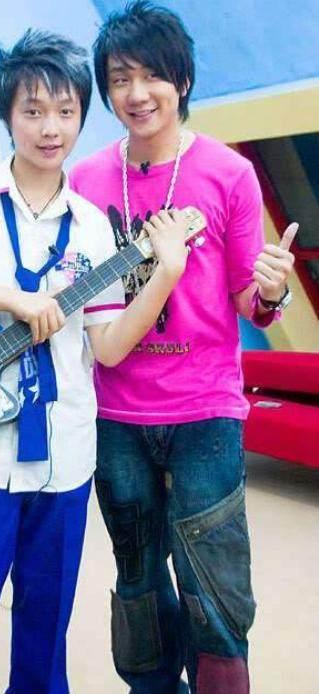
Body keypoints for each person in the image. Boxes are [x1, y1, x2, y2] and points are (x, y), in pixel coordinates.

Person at [0, 29, 191, 694]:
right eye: (32, 111)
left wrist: (164, 273)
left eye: (65, 112)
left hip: (65, 455)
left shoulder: (91, 226)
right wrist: (7, 298)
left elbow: (107, 345)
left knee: (47, 622)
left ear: (81, 115)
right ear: (7, 115)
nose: (50, 128)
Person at [68, 4, 295, 693]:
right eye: (119, 79)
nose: (136, 93)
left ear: (183, 80)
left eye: (151, 76)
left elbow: (247, 298)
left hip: (204, 412)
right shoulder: (85, 181)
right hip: (115, 417)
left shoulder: (228, 172)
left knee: (214, 587)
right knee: (138, 583)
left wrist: (273, 292)